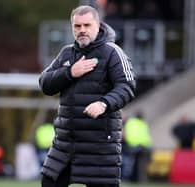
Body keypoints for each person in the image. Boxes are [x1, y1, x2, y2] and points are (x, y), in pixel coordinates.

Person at [38, 5, 136, 187]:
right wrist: (69, 72)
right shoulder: (67, 53)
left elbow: (127, 86)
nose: (82, 30)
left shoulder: (113, 52)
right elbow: (45, 83)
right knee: (48, 183)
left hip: (99, 147)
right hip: (65, 144)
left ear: (97, 26)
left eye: (87, 25)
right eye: (77, 26)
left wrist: (104, 104)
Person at [122, 111, 151, 182]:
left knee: (129, 163)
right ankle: (139, 179)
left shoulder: (130, 122)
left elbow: (124, 134)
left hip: (132, 145)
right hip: (144, 146)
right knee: (140, 165)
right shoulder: (143, 123)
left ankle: (127, 178)